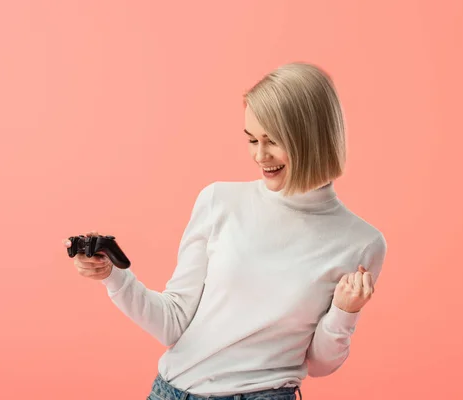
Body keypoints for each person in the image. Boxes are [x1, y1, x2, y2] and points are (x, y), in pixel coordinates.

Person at [64, 62, 387, 400]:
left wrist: (344, 312)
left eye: (272, 141)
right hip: (171, 392)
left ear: (311, 139)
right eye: (252, 140)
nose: (260, 156)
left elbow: (319, 364)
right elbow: (173, 322)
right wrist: (113, 275)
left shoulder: (361, 243)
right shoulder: (219, 200)